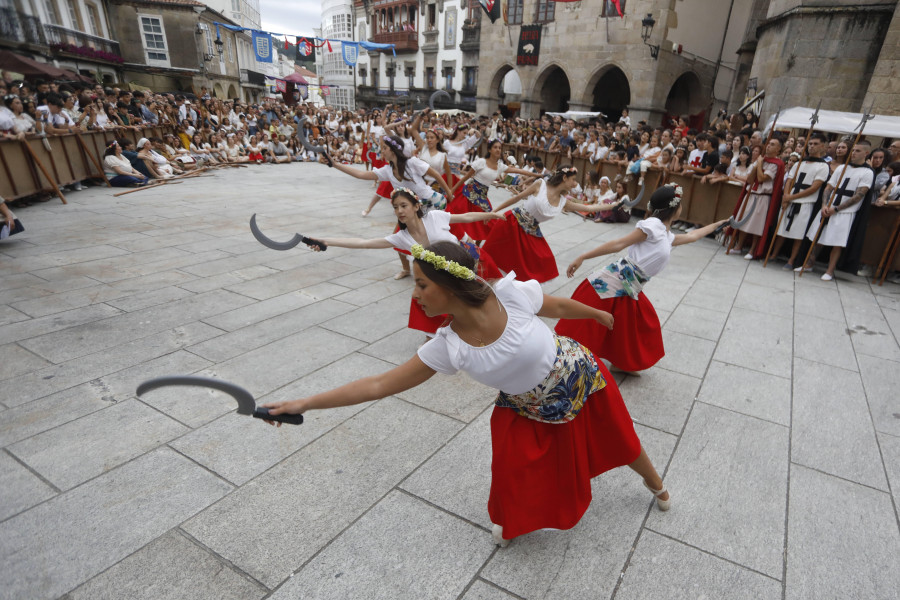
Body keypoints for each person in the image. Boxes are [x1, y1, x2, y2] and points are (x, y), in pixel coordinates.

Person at [262, 241, 671, 546]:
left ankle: (654, 483)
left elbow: (558, 308)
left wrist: (597, 312)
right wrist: (305, 403)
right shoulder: (448, 346)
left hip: (580, 373)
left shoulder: (508, 295)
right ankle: (512, 522)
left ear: (450, 286)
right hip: (531, 406)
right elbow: (378, 384)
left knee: (620, 439)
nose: (415, 293)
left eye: (422, 284)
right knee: (513, 471)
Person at [557, 184, 728, 373]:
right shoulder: (652, 225)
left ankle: (620, 361)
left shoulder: (666, 234)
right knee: (588, 326)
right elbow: (619, 244)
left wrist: (718, 224)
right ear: (675, 207)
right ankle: (569, 357)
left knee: (637, 324)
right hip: (614, 281)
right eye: (681, 205)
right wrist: (583, 257)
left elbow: (693, 235)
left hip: (632, 286)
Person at [295, 188, 503, 334]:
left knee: (492, 294)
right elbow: (364, 242)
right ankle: (436, 333)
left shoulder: (435, 217)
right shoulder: (401, 238)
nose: (399, 211)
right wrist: (326, 241)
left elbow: (465, 217)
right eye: (395, 207)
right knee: (426, 297)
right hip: (443, 274)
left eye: (403, 205)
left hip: (469, 259)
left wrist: (490, 214)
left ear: (415, 206)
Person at [482, 166, 625, 282]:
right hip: (511, 222)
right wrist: (493, 212)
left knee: (544, 262)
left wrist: (612, 206)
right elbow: (517, 198)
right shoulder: (540, 185)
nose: (575, 183)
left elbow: (589, 208)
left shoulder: (564, 201)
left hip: (530, 231)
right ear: (564, 178)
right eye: (573, 180)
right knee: (492, 255)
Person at [795, 140, 875, 281]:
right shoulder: (842, 168)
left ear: (866, 153)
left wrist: (836, 209)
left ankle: (830, 271)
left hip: (845, 212)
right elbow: (828, 187)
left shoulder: (867, 172)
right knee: (817, 236)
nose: (854, 153)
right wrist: (825, 205)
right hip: (828, 207)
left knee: (837, 242)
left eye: (857, 151)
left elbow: (859, 195)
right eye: (853, 150)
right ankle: (808, 264)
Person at [447, 139, 533, 241]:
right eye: (495, 147)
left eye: (500, 148)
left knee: (487, 221)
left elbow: (518, 170)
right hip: (468, 193)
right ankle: (458, 237)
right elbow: (465, 178)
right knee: (459, 216)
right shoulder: (481, 162)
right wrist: (452, 191)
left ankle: (478, 245)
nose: (498, 150)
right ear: (489, 149)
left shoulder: (500, 166)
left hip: (482, 196)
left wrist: (536, 174)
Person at [769, 132, 829, 269]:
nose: (812, 147)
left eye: (815, 144)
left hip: (805, 203)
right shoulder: (799, 163)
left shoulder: (823, 166)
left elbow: (814, 188)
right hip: (790, 200)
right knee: (781, 230)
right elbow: (790, 180)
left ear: (822, 146)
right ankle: (773, 254)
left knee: (798, 233)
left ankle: (791, 260)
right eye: (810, 144)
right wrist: (786, 196)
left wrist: (792, 197)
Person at [728, 137, 785, 259]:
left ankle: (752, 250)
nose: (769, 146)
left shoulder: (776, 164)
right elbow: (750, 180)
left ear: (778, 149)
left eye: (773, 144)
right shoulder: (760, 160)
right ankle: (739, 246)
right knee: (744, 220)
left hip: (762, 196)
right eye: (768, 143)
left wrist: (759, 164)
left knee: (757, 224)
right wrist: (757, 164)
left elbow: (762, 178)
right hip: (751, 193)